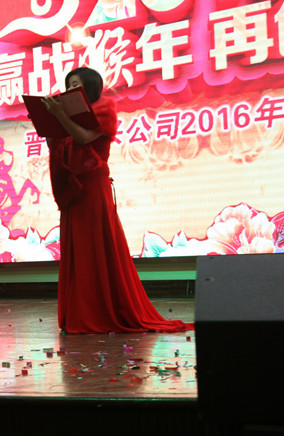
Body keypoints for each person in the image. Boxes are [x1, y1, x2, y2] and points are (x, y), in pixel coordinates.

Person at [41, 67, 193, 334]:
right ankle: (81, 312)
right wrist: (48, 122)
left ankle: (102, 312)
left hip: (91, 187)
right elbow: (58, 145)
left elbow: (84, 138)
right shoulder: (67, 114)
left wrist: (59, 115)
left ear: (90, 87)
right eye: (68, 85)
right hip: (72, 190)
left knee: (95, 248)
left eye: (76, 84)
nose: (70, 90)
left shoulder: (103, 110)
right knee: (78, 252)